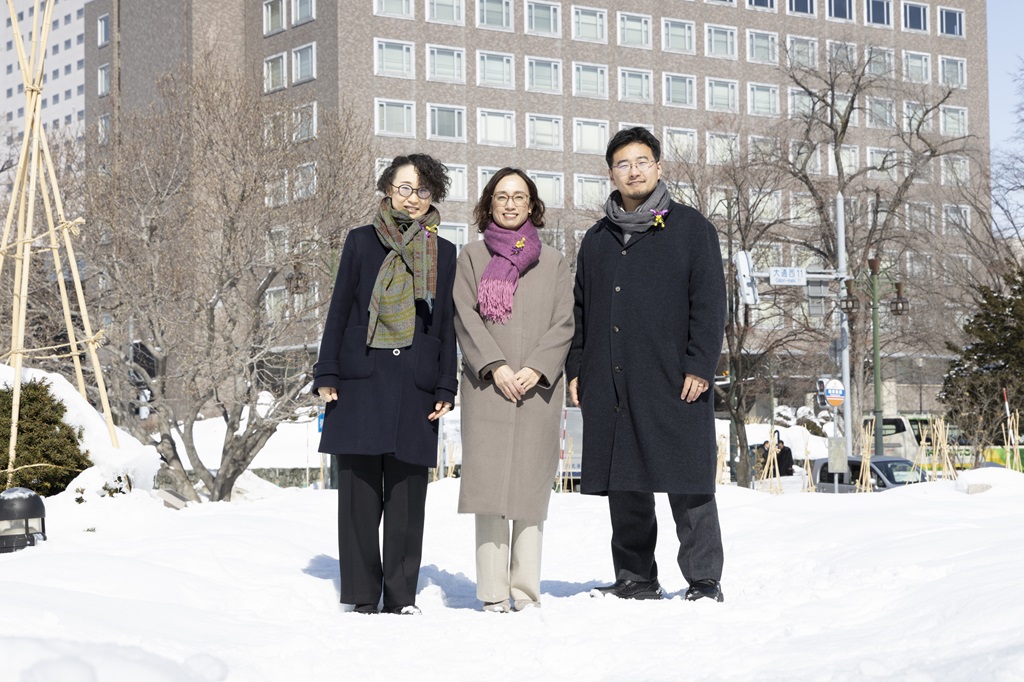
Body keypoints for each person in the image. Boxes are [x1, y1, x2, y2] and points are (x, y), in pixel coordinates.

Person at [566, 127, 728, 603]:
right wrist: (577, 368)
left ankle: (704, 579)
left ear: (658, 167)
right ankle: (635, 577)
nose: (633, 171)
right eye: (623, 164)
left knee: (688, 479)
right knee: (625, 480)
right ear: (610, 174)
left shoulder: (691, 228)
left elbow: (710, 302)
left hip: (674, 376)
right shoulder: (597, 239)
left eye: (641, 162)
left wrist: (700, 365)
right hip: (611, 376)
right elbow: (580, 310)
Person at [312, 154, 458, 615]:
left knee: (407, 497)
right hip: (360, 377)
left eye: (422, 190)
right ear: (388, 190)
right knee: (358, 495)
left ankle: (400, 596)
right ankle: (361, 593)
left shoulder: (444, 251)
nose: (412, 198)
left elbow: (445, 323)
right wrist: (326, 371)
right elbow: (339, 307)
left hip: (416, 381)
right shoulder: (361, 241)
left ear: (433, 195)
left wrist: (445, 385)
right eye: (404, 188)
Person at [453, 168, 574, 613]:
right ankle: (492, 591)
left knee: (530, 489)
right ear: (489, 203)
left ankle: (524, 590)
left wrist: (537, 368)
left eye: (518, 196)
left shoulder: (554, 261)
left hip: (537, 389)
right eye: (501, 196)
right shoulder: (471, 256)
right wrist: (495, 365)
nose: (510, 203)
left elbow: (565, 322)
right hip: (487, 386)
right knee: (488, 490)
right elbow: (464, 316)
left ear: (532, 205)